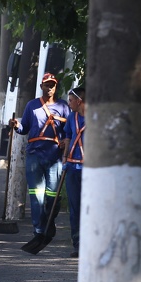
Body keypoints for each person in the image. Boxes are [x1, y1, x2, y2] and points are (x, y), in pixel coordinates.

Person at [9, 72, 71, 248]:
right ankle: (39, 230)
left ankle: (48, 223)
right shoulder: (32, 106)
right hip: (34, 156)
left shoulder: (63, 106)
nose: (49, 87)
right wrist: (16, 126)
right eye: (46, 85)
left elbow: (69, 131)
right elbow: (24, 129)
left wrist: (66, 142)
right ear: (41, 86)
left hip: (54, 157)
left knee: (53, 197)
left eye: (52, 85)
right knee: (36, 196)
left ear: (55, 87)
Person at [60, 86, 86, 258]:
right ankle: (77, 245)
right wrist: (64, 157)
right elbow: (68, 137)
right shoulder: (71, 117)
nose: (68, 104)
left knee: (89, 208)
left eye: (70, 100)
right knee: (75, 208)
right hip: (72, 168)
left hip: (89, 170)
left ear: (79, 101)